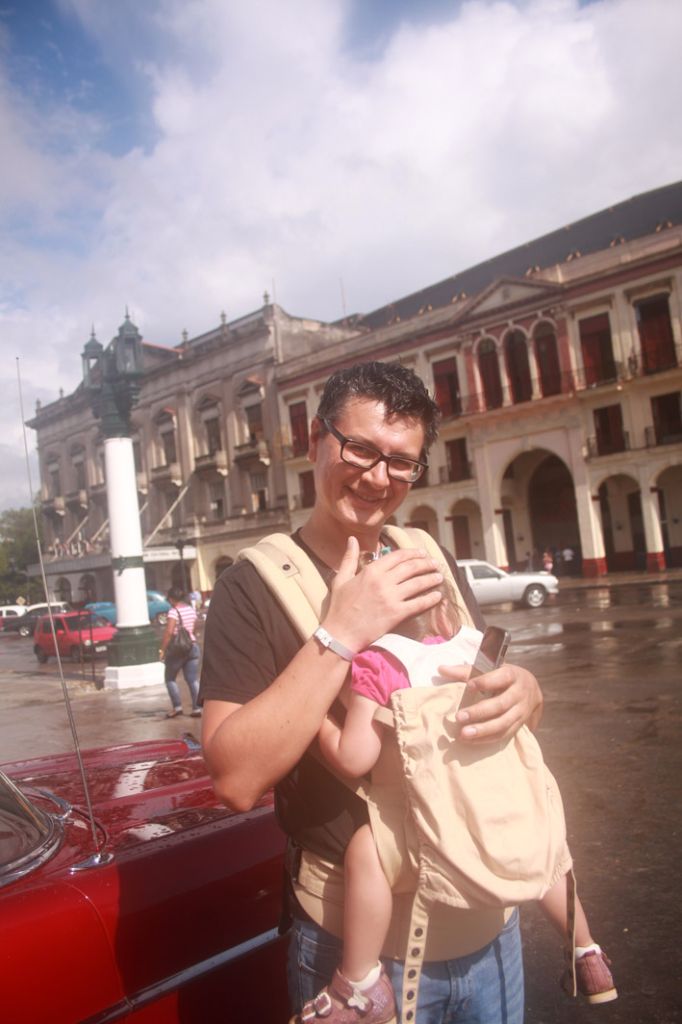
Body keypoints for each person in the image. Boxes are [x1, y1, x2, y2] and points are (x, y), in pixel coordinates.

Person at [200, 361, 545, 1024]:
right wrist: (341, 633)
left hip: (487, 919)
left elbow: (475, 685)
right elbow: (235, 779)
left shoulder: (428, 557)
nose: (377, 477)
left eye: (401, 462)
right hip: (353, 949)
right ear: (315, 442)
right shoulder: (253, 587)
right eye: (358, 449)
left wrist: (526, 693)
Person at [315, 580, 616, 1020]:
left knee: (366, 852)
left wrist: (321, 723)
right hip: (494, 789)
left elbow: (354, 756)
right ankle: (587, 953)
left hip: (435, 804)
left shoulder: (380, 663)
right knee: (544, 848)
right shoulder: (475, 648)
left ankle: (360, 983)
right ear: (441, 613)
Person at [160, 585, 201, 718]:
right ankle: (197, 708)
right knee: (192, 680)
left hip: (178, 649)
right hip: (192, 646)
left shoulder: (173, 612)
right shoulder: (190, 609)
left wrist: (162, 649)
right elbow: (194, 628)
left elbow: (169, 632)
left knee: (170, 678)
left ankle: (177, 707)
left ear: (172, 599)